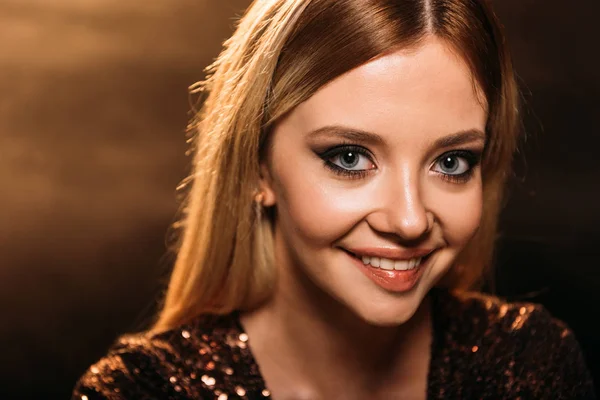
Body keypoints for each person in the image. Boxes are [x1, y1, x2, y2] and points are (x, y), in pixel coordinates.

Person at [72, 0, 596, 399]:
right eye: (349, 158)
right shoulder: (143, 392)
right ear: (258, 165)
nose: (410, 220)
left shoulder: (530, 365)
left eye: (451, 162)